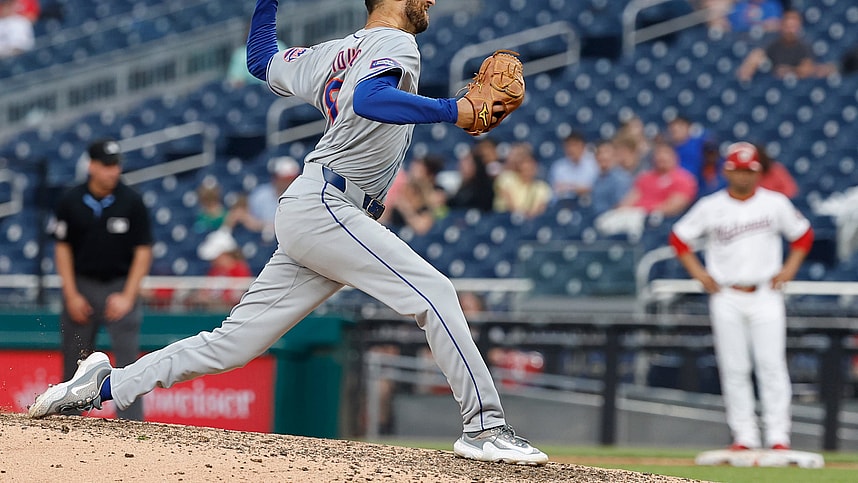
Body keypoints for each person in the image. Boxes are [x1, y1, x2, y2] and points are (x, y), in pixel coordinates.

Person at [28, 0, 548, 466]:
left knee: (232, 344)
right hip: (330, 206)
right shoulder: (398, 42)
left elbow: (261, 59)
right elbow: (369, 99)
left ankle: (105, 383)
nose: (430, 0)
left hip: (317, 208)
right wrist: (452, 109)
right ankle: (486, 428)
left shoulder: (330, 55)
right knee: (435, 293)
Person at [669, 141, 813, 450]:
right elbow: (679, 239)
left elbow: (803, 235)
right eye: (739, 170)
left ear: (758, 172)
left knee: (771, 365)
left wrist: (789, 270)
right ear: (727, 171)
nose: (745, 176)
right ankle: (744, 436)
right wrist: (700, 274)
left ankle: (778, 436)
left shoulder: (774, 203)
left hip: (765, 293)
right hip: (727, 294)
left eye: (750, 170)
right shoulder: (711, 206)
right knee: (734, 368)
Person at [49, 138, 153, 421]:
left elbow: (143, 252)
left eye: (116, 165)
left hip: (120, 285)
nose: (112, 171)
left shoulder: (132, 201)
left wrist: (128, 296)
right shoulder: (70, 200)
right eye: (106, 165)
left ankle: (131, 425)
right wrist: (71, 294)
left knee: (129, 361)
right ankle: (66, 419)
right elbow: (62, 248)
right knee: (75, 358)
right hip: (82, 284)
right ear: (92, 166)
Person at [737, 10, 837, 82]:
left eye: (793, 27)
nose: (790, 30)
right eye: (788, 26)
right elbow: (757, 56)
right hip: (773, 84)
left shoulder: (804, 46)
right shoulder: (773, 44)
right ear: (782, 26)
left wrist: (790, 71)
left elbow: (807, 69)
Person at [228, 156, 300, 236]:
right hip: (259, 237)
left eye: (291, 179)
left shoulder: (301, 197)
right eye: (284, 179)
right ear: (276, 178)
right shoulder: (261, 194)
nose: (288, 183)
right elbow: (247, 218)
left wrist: (263, 225)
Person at [187, 229, 253, 310]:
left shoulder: (240, 270)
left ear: (225, 254)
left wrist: (210, 300)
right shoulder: (215, 271)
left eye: (215, 257)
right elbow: (206, 290)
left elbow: (235, 299)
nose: (213, 261)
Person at [493, 142, 552, 219]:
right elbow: (510, 205)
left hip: (530, 221)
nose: (527, 169)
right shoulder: (506, 178)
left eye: (530, 166)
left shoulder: (542, 187)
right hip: (505, 218)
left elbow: (539, 210)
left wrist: (529, 215)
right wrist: (520, 214)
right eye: (525, 166)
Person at [548, 131, 598, 204]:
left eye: (575, 145)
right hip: (565, 203)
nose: (572, 149)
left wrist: (570, 187)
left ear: (583, 146)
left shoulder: (593, 164)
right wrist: (578, 188)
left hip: (588, 202)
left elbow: (594, 188)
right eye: (568, 146)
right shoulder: (558, 167)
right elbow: (558, 190)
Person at [589, 139, 633, 216]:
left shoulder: (621, 178)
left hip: (613, 219)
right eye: (599, 153)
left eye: (606, 152)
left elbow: (622, 206)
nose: (603, 156)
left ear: (615, 155)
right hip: (596, 218)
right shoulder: (597, 179)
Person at [447, 148, 495, 212]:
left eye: (467, 163)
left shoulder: (484, 187)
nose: (461, 167)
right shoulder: (463, 187)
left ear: (477, 166)